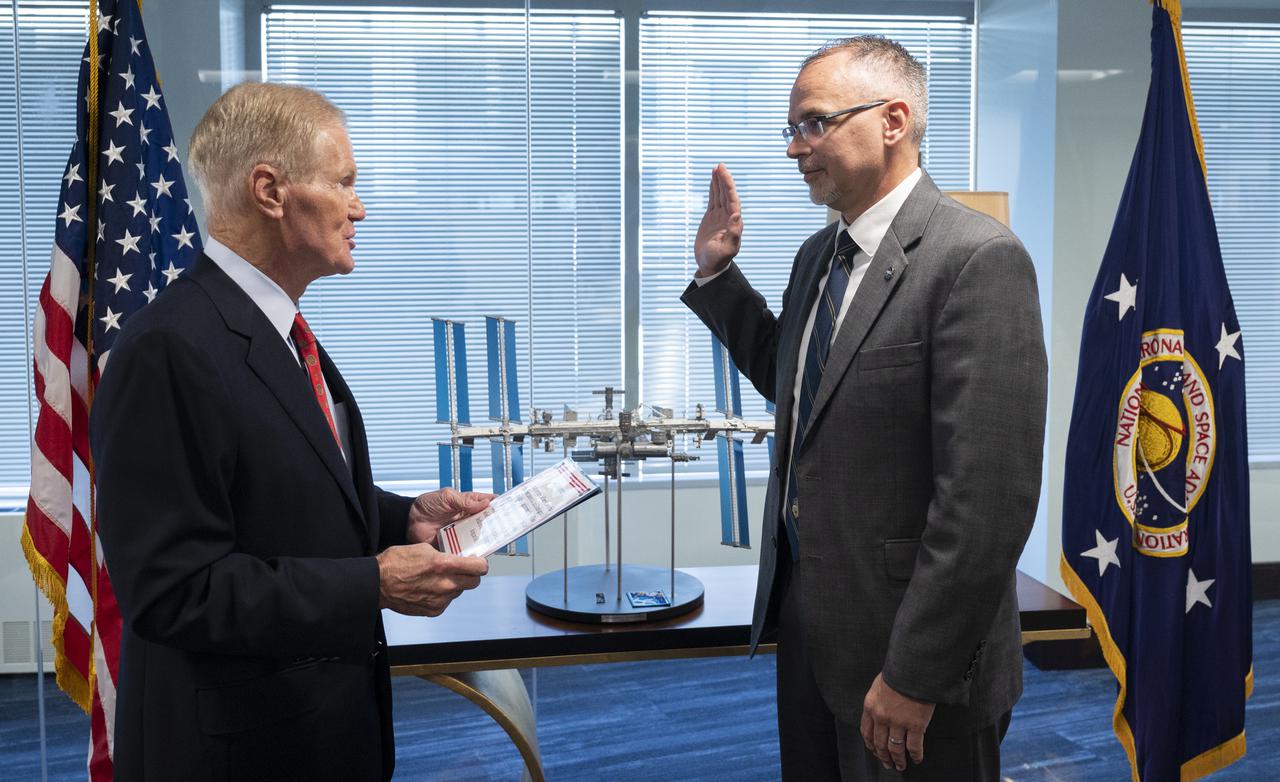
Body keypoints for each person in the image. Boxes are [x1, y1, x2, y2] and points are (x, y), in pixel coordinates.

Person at [90, 81, 492, 781]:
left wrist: (402, 520)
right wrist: (371, 585)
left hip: (315, 734)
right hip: (234, 754)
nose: (358, 208)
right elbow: (173, 591)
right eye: (343, 184)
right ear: (270, 190)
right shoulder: (168, 350)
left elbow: (282, 496)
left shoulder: (277, 330)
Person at [683, 36, 1047, 780]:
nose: (796, 148)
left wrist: (916, 674)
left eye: (814, 123)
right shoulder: (818, 255)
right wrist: (718, 276)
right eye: (791, 129)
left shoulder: (976, 259)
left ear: (893, 120)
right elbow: (804, 391)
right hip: (816, 636)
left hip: (914, 664)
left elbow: (985, 504)